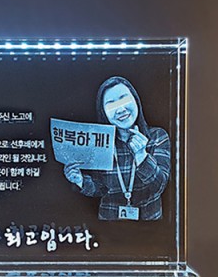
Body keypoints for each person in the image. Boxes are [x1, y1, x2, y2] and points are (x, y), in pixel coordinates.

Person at [64, 76, 171, 221]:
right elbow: (100, 189)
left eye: (124, 100)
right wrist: (80, 180)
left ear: (136, 100)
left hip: (149, 223)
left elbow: (159, 187)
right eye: (111, 105)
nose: (120, 109)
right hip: (109, 224)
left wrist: (141, 156)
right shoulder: (101, 142)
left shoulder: (157, 136)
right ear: (103, 112)